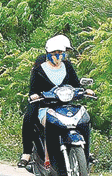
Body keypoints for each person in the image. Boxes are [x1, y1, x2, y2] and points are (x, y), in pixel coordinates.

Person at [18, 34, 94, 168]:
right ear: (49, 53)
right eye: (55, 53)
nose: (59, 56)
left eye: (61, 53)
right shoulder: (39, 67)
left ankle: (85, 152)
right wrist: (36, 96)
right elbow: (33, 89)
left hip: (65, 104)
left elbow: (76, 85)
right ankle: (28, 153)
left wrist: (84, 91)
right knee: (29, 117)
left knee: (83, 120)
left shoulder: (68, 66)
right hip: (45, 104)